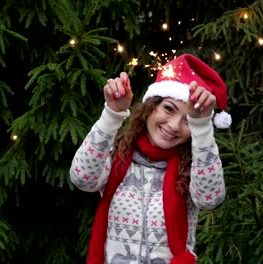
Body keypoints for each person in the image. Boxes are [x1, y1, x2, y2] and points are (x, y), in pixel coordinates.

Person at [70, 53, 231, 264]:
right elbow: (82, 178)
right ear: (150, 107)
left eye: (187, 121)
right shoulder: (118, 154)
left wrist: (200, 126)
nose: (174, 125)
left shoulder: (195, 167)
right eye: (168, 109)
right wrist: (112, 113)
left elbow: (210, 199)